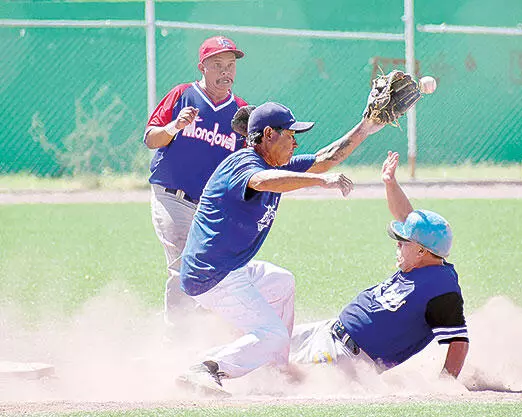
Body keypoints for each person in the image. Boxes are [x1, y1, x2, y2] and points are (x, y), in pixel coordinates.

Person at [176, 101, 385, 396]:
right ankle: (207, 368)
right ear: (268, 134)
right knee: (273, 334)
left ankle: (275, 371)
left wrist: (366, 127)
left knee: (281, 282)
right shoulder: (244, 163)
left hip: (230, 267)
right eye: (290, 135)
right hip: (211, 274)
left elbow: (326, 158)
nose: (295, 143)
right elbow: (262, 181)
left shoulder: (274, 165)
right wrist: (319, 181)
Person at [289, 151, 469, 380]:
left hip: (344, 357)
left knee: (277, 374)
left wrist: (445, 384)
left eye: (403, 242)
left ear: (422, 251)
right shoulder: (421, 261)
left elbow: (458, 341)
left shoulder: (441, 289)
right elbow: (408, 218)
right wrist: (390, 182)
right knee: (269, 344)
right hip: (326, 329)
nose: (398, 245)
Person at [143, 36, 248, 327]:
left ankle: (209, 331)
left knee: (217, 272)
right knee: (184, 266)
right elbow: (151, 138)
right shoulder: (183, 95)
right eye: (217, 64)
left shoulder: (241, 111)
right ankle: (175, 340)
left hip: (211, 206)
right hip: (172, 197)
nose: (225, 71)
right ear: (202, 67)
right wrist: (174, 126)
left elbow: (244, 162)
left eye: (230, 65)